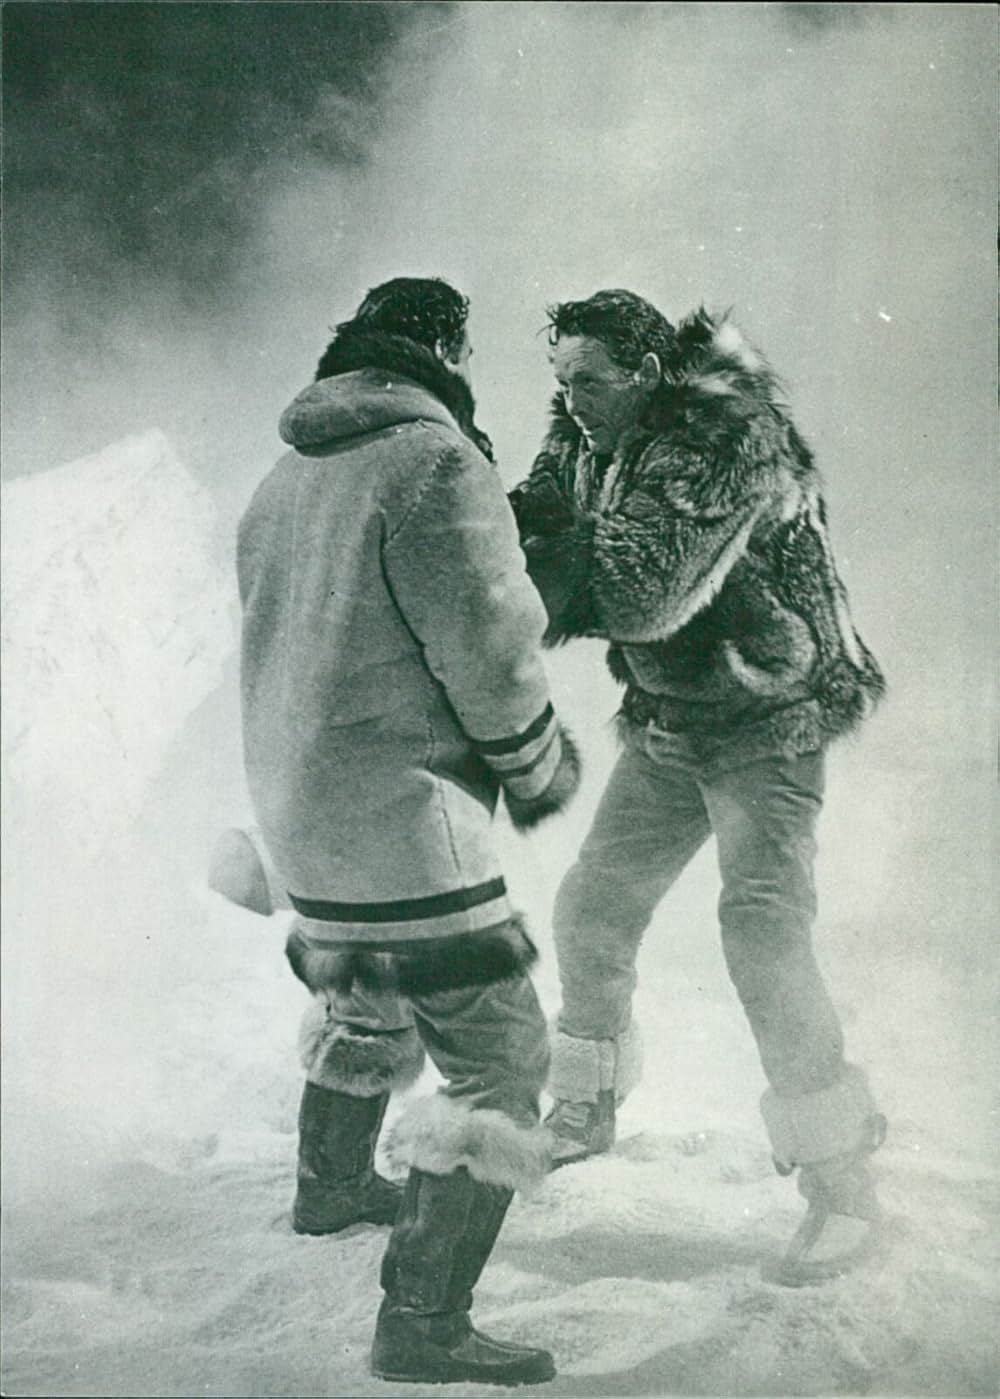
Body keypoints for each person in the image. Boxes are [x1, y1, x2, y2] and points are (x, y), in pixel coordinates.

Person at [217, 277, 580, 1385]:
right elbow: (485, 638)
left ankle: (330, 1185)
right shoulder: (431, 462)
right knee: (500, 1054)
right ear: (449, 349)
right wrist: (534, 760)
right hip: (398, 813)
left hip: (301, 811)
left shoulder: (288, 473)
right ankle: (423, 1321)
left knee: (366, 982)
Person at [508, 288, 887, 1285]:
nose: (571, 397)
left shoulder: (720, 438)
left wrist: (511, 561)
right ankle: (583, 1104)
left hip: (769, 721)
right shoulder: (588, 433)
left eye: (588, 379)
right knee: (593, 906)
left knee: (760, 929)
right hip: (672, 725)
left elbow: (636, 589)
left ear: (643, 374)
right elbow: (536, 517)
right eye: (562, 379)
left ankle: (842, 1183)